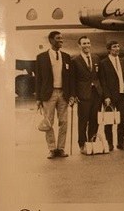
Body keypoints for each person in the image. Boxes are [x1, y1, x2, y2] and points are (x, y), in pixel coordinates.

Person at [35, 31, 74, 159]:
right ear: (51, 40)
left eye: (62, 38)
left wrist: (72, 94)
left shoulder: (67, 56)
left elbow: (69, 78)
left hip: (63, 93)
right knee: (48, 122)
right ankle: (52, 149)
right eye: (58, 38)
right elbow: (38, 79)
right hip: (48, 94)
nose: (61, 40)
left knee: (64, 122)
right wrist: (38, 98)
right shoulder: (41, 57)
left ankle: (61, 148)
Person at [70, 36, 104, 154]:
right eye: (84, 43)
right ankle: (82, 144)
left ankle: (92, 142)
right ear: (79, 45)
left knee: (94, 119)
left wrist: (103, 93)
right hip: (83, 94)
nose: (87, 45)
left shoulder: (96, 58)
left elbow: (100, 77)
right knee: (83, 120)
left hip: (96, 93)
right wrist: (74, 95)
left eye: (88, 43)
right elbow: (73, 80)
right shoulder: (75, 60)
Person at [99, 40, 124, 151]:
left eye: (118, 46)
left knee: (121, 120)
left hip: (121, 95)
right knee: (109, 121)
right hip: (110, 97)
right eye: (114, 47)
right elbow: (103, 81)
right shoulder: (104, 63)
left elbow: (123, 78)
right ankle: (109, 143)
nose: (117, 49)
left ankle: (120, 142)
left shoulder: (122, 61)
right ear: (109, 49)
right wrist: (106, 96)